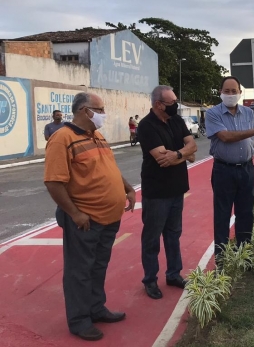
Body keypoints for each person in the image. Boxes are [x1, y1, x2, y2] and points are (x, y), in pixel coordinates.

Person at [44, 92, 136, 341]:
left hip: (108, 218)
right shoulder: (62, 139)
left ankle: (96, 308)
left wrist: (127, 188)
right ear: (86, 111)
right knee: (79, 271)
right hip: (86, 221)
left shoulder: (97, 135)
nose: (104, 114)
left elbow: (109, 169)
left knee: (98, 267)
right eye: (101, 109)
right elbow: (54, 182)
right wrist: (75, 214)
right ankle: (79, 320)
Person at [137, 85, 198, 300]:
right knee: (152, 238)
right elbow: (161, 158)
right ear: (158, 105)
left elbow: (192, 147)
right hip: (156, 192)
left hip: (177, 188)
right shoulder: (146, 126)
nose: (176, 107)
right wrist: (184, 154)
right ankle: (150, 280)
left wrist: (179, 154)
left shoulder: (176, 121)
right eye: (172, 103)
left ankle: (174, 273)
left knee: (173, 235)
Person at [205, 76, 254, 262]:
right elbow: (225, 137)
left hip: (246, 170)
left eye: (234, 91)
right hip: (223, 171)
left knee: (246, 213)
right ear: (220, 92)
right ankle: (222, 258)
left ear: (240, 93)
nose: (230, 94)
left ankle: (243, 255)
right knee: (222, 215)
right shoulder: (213, 114)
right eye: (226, 91)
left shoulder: (249, 114)